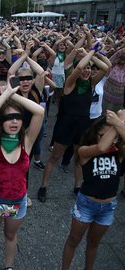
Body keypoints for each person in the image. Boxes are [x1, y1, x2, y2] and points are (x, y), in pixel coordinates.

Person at [0, 80, 44, 270]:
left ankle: (9, 266)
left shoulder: (27, 141)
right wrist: (4, 95)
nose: (14, 121)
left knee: (10, 235)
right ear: (1, 121)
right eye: (9, 118)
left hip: (18, 200)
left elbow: (39, 112)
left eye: (18, 117)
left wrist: (12, 95)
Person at [38, 47, 110, 202]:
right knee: (54, 157)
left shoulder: (91, 83)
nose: (86, 71)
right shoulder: (70, 83)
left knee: (79, 158)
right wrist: (88, 54)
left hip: (83, 125)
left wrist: (91, 54)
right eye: (84, 68)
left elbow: (105, 67)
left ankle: (78, 187)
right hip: (67, 124)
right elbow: (77, 68)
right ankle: (43, 187)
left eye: (89, 68)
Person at [61, 111, 125, 270]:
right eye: (105, 135)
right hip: (86, 204)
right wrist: (119, 121)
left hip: (108, 207)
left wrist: (118, 123)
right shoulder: (85, 151)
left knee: (94, 244)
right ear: (95, 134)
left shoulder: (119, 153)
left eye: (115, 137)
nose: (111, 141)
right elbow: (102, 146)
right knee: (73, 241)